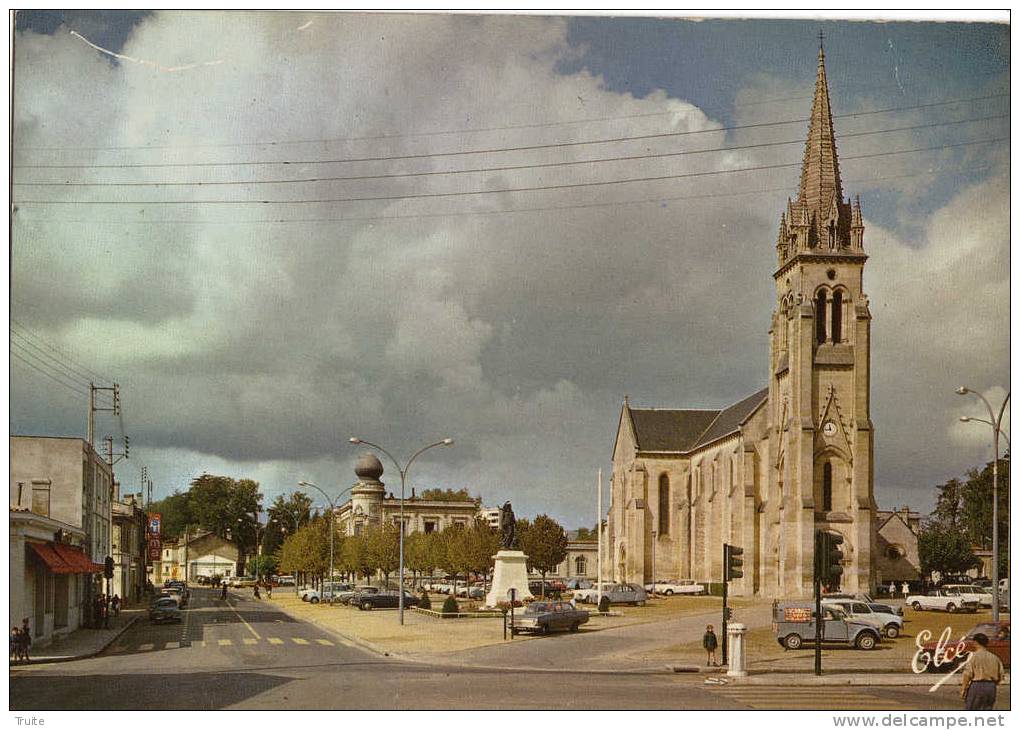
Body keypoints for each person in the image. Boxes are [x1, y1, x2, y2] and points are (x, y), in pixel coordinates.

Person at [961, 633, 1004, 710]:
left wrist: (964, 689)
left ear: (975, 642)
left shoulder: (974, 657)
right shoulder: (995, 658)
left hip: (977, 686)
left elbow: (967, 674)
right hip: (991, 687)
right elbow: (1001, 676)